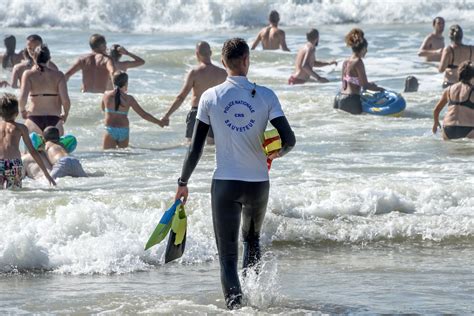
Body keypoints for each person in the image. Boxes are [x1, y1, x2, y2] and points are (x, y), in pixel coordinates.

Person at [173, 38, 296, 310]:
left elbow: (195, 148)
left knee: (227, 256)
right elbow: (289, 139)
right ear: (246, 60)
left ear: (224, 62)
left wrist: (183, 182)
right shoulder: (266, 95)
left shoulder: (211, 96)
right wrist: (275, 154)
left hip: (226, 185)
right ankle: (253, 299)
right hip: (258, 185)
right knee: (251, 241)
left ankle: (237, 309)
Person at [161, 41, 227, 144]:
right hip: (215, 113)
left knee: (192, 147)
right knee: (211, 147)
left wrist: (166, 115)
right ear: (210, 52)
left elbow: (181, 97)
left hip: (197, 112)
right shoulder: (223, 73)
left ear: (197, 54)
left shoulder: (194, 73)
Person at [0, 93, 55, 189]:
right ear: (16, 113)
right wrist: (46, 173)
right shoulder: (21, 128)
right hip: (14, 164)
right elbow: (33, 151)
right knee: (14, 193)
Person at [101, 71, 164, 149]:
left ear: (113, 81)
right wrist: (159, 122)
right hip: (124, 130)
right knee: (123, 158)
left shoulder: (106, 95)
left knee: (108, 156)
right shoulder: (129, 99)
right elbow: (144, 115)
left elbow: (103, 109)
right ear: (126, 83)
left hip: (110, 129)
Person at [18, 45, 71, 135]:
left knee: (31, 149)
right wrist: (65, 114)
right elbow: (65, 101)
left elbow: (22, 98)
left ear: (34, 57)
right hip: (54, 119)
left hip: (34, 119)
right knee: (55, 148)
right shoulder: (59, 75)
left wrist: (23, 111)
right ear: (49, 58)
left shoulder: (28, 74)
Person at [334, 28, 384, 114]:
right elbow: (365, 86)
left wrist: (368, 84)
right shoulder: (358, 62)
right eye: (366, 49)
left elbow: (345, 83)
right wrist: (380, 89)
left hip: (339, 98)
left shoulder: (346, 61)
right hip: (351, 99)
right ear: (363, 48)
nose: (367, 51)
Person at [433, 61, 474, 140]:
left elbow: (436, 110)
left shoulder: (448, 90)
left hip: (448, 129)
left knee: (452, 152)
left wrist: (435, 123)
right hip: (469, 129)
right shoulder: (472, 90)